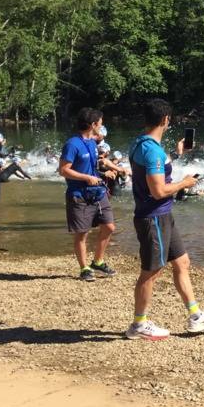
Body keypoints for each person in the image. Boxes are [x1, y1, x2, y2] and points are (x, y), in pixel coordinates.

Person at [126, 98, 204, 340]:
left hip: (162, 216)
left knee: (182, 263)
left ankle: (195, 316)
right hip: (153, 219)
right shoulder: (151, 151)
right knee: (150, 272)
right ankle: (138, 325)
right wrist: (185, 183)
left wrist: (177, 154)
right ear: (165, 120)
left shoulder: (140, 143)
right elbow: (158, 191)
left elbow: (157, 167)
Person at [59, 108, 116, 282]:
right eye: (100, 123)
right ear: (93, 125)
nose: (102, 126)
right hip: (79, 194)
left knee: (109, 227)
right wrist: (87, 177)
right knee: (82, 233)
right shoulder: (72, 144)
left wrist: (104, 173)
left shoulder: (92, 143)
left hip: (97, 193)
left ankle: (98, 261)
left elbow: (91, 167)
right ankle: (84, 268)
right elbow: (63, 170)